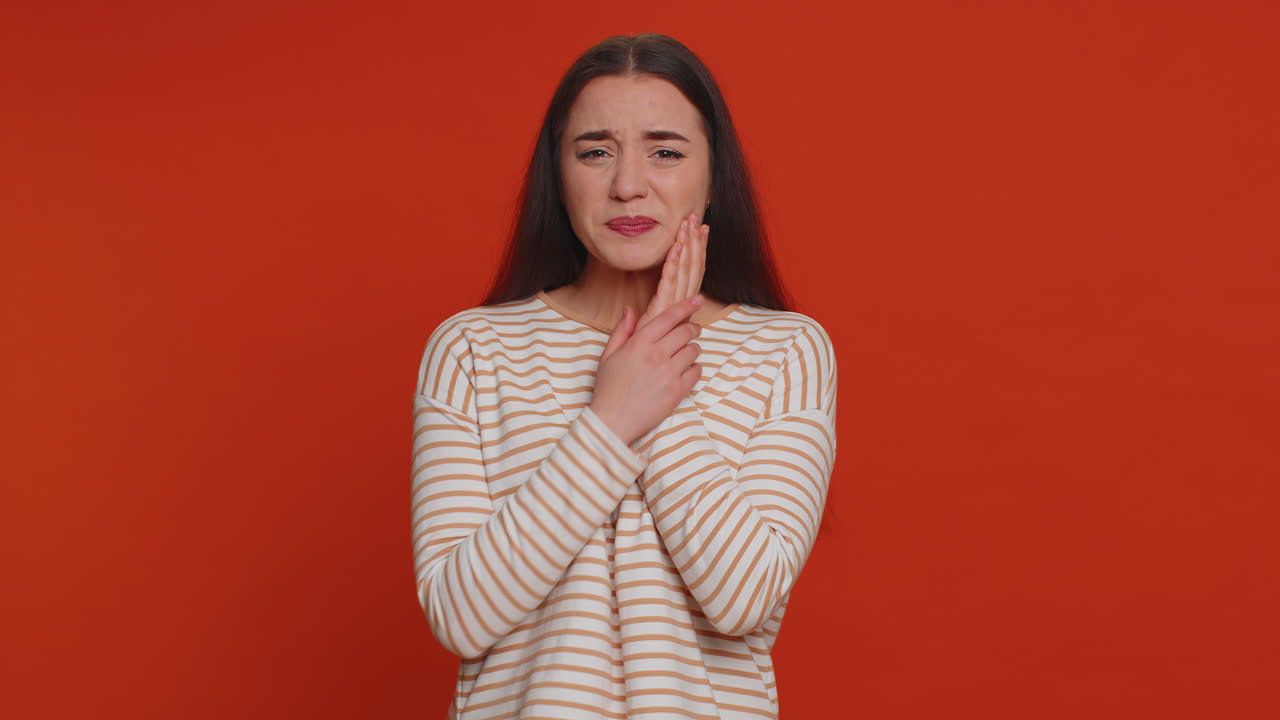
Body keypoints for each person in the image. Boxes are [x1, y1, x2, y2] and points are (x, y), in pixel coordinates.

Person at [410, 32, 838, 720]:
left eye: (665, 151)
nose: (627, 184)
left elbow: (742, 598)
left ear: (712, 175)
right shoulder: (472, 350)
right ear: (559, 175)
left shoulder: (786, 352)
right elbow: (462, 616)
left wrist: (660, 373)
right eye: (595, 152)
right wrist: (610, 420)